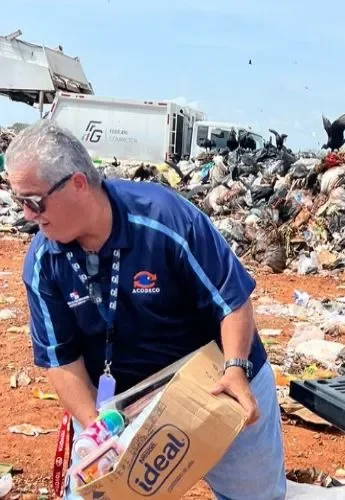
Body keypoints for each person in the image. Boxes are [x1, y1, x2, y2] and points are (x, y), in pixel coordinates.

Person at [5, 120, 287, 500]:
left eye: (33, 201)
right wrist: (98, 432)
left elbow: (232, 300)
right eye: (18, 200)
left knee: (254, 497)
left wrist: (236, 369)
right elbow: (63, 361)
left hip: (218, 383)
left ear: (77, 184)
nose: (26, 214)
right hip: (123, 408)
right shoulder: (43, 262)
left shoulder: (163, 219)